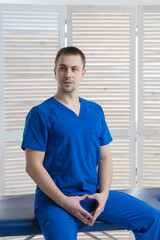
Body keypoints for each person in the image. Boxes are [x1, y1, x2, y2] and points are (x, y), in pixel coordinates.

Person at [21, 46, 160, 240]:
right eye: (63, 68)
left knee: (153, 219)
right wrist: (64, 201)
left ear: (83, 74)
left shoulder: (95, 111)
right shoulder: (41, 113)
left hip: (92, 196)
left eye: (74, 69)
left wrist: (103, 194)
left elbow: (105, 158)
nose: (68, 74)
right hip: (55, 202)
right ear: (55, 72)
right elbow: (32, 166)